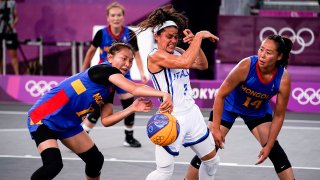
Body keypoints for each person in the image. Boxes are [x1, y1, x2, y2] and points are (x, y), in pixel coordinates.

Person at [27, 43, 173, 180]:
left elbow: (106, 120)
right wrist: (163, 94)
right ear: (110, 57)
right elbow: (134, 88)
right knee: (53, 165)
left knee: (95, 160)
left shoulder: (109, 88)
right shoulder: (103, 70)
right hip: (44, 117)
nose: (127, 64)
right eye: (124, 58)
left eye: (131, 61)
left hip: (68, 123)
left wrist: (132, 108)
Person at [184, 34, 295, 180]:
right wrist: (216, 129)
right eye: (261, 49)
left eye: (268, 53)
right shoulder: (247, 65)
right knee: (208, 150)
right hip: (229, 107)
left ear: (279, 56)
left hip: (256, 111)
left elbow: (279, 115)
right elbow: (220, 95)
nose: (262, 55)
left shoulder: (283, 79)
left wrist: (268, 146)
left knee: (275, 151)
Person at [137, 6, 220, 180]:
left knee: (212, 161)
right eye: (169, 36)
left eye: (176, 36)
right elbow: (185, 61)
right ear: (156, 36)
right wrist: (198, 37)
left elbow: (201, 64)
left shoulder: (179, 52)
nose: (173, 40)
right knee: (164, 172)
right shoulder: (155, 56)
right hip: (171, 118)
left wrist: (192, 44)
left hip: (192, 114)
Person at [81, 2, 148, 148]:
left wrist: (142, 72)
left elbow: (136, 54)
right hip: (103, 77)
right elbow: (90, 52)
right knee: (99, 108)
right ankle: (83, 136)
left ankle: (129, 138)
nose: (116, 18)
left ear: (123, 17)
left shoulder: (129, 34)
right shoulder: (101, 34)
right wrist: (83, 69)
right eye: (113, 15)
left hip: (123, 74)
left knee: (129, 102)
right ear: (108, 18)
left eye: (119, 15)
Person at [0, 0, 19, 75]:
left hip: (10, 32)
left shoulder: (11, 2)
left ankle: (17, 76)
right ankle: (1, 77)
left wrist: (12, 26)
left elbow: (16, 17)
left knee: (13, 54)